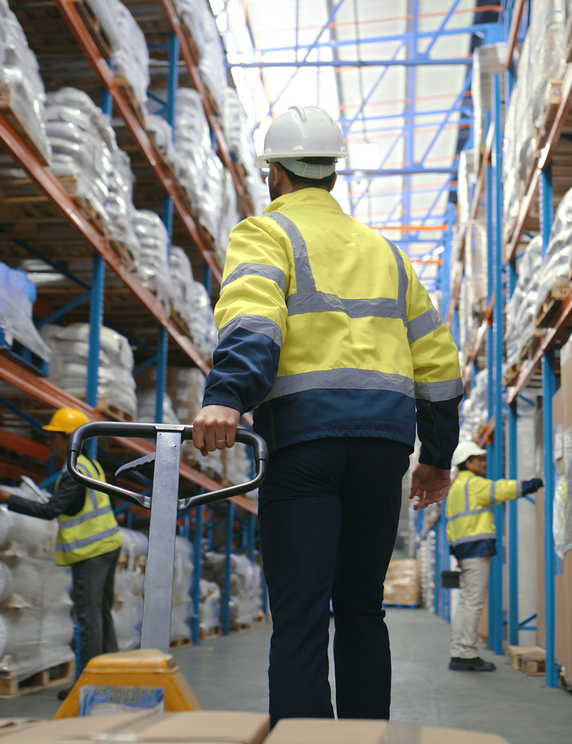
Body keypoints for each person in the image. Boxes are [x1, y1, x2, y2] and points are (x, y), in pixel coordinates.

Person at [189, 105, 463, 724]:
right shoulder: (389, 256)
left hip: (305, 445)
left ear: (274, 175)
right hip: (382, 450)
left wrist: (226, 396)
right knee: (363, 609)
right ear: (333, 176)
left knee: (302, 615)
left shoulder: (267, 234)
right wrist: (437, 458)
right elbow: (440, 365)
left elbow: (255, 319)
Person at [0, 407, 122, 700]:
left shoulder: (75, 472)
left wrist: (11, 500)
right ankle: (110, 673)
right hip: (106, 545)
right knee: (100, 613)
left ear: (69, 438)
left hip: (91, 550)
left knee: (89, 616)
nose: (48, 441)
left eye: (52, 436)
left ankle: (87, 682)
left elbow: (52, 511)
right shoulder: (88, 465)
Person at [444, 440, 543, 672]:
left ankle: (458, 651)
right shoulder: (473, 484)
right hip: (476, 549)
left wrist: (455, 552)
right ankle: (466, 654)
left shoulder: (455, 488)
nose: (483, 463)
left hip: (463, 551)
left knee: (466, 602)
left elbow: (450, 527)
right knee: (474, 602)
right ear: (467, 462)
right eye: (479, 459)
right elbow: (501, 489)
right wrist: (531, 484)